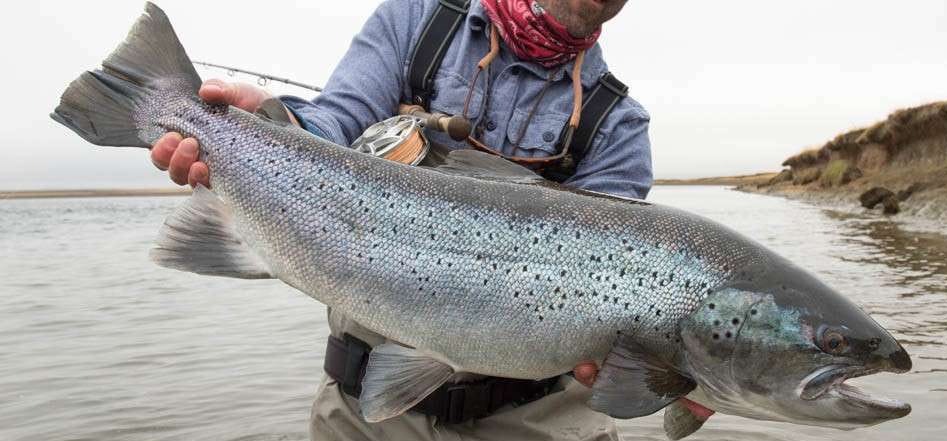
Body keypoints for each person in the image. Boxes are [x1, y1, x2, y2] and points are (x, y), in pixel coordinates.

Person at [151, 1, 653, 439]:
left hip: (536, 421)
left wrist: (649, 372)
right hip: (362, 412)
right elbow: (336, 124)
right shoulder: (417, 18)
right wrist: (274, 124)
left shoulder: (620, 126)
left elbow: (610, 297)